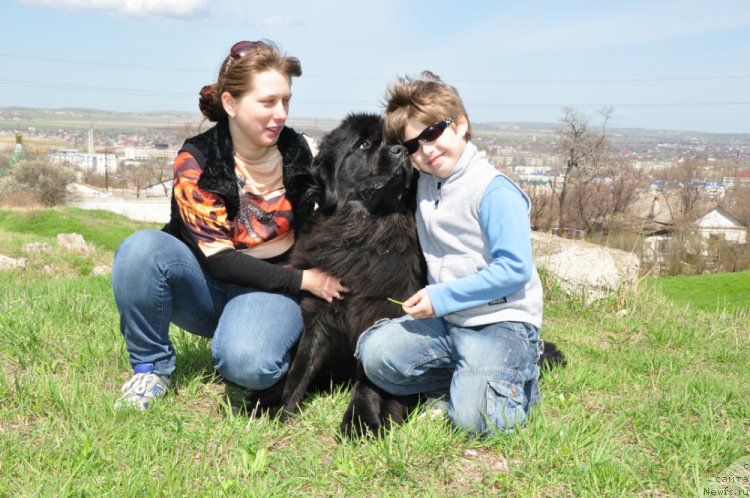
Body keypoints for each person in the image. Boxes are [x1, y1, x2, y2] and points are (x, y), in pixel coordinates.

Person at [112, 40, 347, 410]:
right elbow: (219, 259)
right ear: (230, 104)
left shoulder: (300, 151)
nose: (281, 113)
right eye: (267, 102)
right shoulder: (198, 159)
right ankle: (150, 369)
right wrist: (305, 280)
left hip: (270, 289)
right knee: (140, 250)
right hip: (207, 281)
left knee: (247, 365)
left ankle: (254, 339)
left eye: (286, 100)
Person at [356, 71, 544, 436]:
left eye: (433, 132)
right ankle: (466, 377)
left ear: (461, 124)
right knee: (374, 355)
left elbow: (515, 268)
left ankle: (518, 377)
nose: (426, 150)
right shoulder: (427, 181)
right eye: (413, 146)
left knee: (476, 422)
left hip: (500, 323)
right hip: (449, 323)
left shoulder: (494, 191)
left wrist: (441, 297)